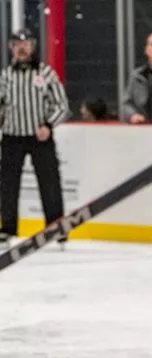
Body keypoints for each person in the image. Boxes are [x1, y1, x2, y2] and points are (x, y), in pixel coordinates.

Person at [0, 29, 69, 245]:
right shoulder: (5, 75)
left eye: (26, 43)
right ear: (11, 47)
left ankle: (56, 227)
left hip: (40, 137)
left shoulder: (46, 73)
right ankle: (8, 227)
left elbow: (62, 106)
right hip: (12, 136)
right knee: (8, 184)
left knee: (49, 182)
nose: (22, 48)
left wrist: (49, 125)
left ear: (33, 46)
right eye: (17, 44)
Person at [121, 31, 152, 124]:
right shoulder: (137, 76)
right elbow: (126, 103)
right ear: (146, 50)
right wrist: (133, 115)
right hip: (142, 131)